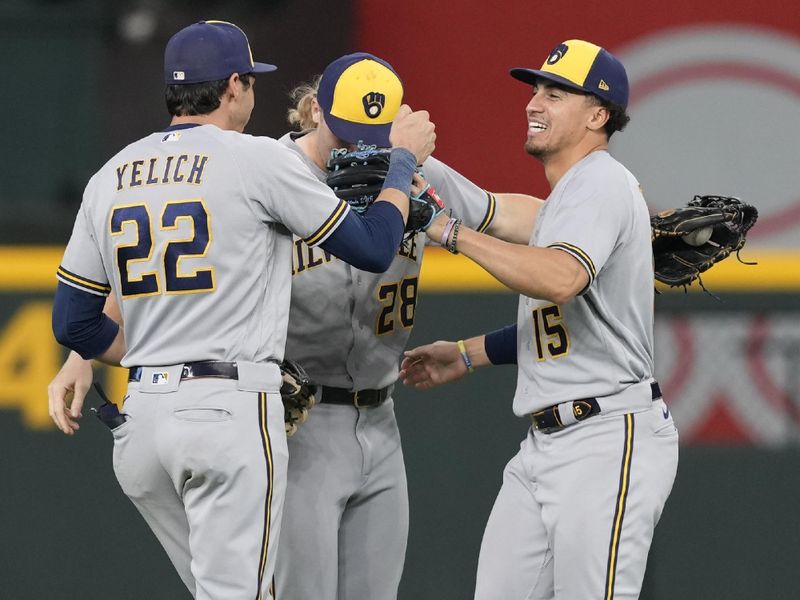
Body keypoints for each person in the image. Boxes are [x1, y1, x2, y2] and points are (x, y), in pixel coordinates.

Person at [48, 51, 541, 600]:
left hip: (380, 416)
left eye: (376, 135)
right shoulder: (264, 170)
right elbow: (159, 268)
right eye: (350, 132)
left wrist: (604, 217)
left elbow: (502, 212)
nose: (362, 148)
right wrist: (81, 355)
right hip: (297, 423)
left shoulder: (414, 170)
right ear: (313, 110)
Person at [400, 40, 679, 600]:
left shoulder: (601, 180)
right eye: (535, 90)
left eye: (556, 93)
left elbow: (558, 279)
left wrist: (447, 233)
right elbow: (485, 210)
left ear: (598, 116)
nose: (534, 102)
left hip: (606, 438)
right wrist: (409, 162)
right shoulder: (564, 200)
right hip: (545, 445)